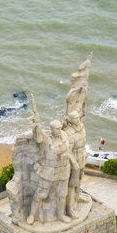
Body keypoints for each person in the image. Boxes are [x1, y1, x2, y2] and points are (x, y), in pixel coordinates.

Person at [27, 96, 77, 225]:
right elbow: (38, 137)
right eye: (56, 129)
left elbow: (68, 150)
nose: (59, 130)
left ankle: (60, 214)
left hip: (63, 170)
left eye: (60, 128)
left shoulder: (65, 135)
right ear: (51, 129)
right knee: (41, 194)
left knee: (62, 194)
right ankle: (32, 215)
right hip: (48, 172)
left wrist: (74, 163)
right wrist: (37, 123)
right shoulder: (46, 139)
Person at [64, 110, 88, 218]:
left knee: (79, 181)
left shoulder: (81, 127)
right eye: (75, 118)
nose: (77, 119)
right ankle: (70, 208)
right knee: (71, 185)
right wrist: (73, 163)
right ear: (69, 120)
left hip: (82, 157)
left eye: (78, 117)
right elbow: (67, 150)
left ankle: (77, 198)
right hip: (73, 161)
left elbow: (84, 141)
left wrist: (85, 153)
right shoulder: (68, 133)